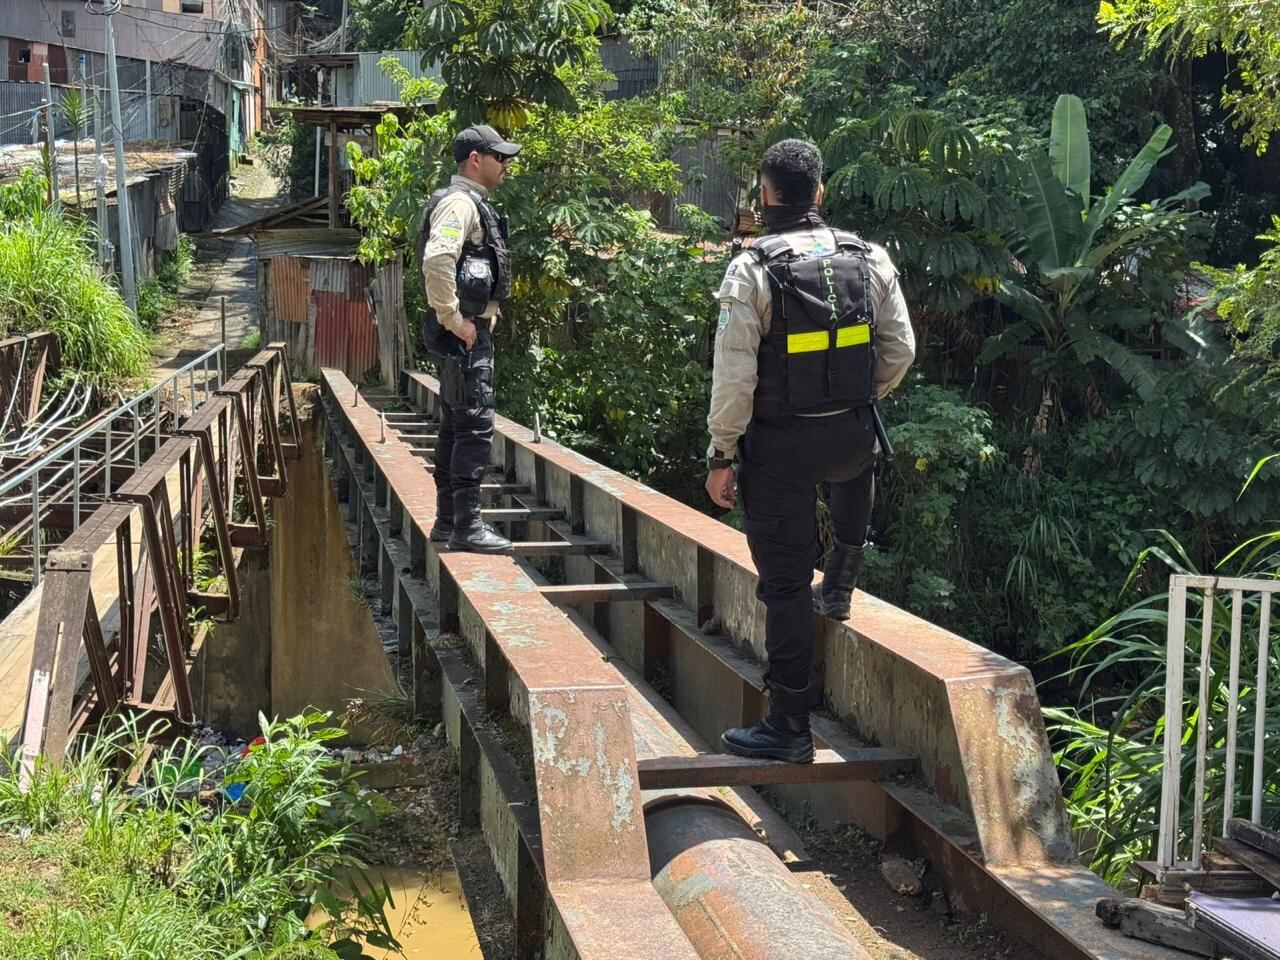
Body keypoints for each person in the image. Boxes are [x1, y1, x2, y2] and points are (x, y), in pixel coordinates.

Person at [705, 139, 916, 763]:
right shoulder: (869, 256)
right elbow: (899, 349)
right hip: (853, 440)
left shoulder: (751, 269)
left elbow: (734, 377)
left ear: (764, 196)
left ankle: (790, 728)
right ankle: (843, 588)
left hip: (780, 452)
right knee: (856, 466)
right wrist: (857, 396)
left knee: (786, 587)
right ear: (820, 193)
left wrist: (721, 455)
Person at [417, 124, 521, 554]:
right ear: (475, 159)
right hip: (464, 336)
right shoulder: (460, 203)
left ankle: (447, 522)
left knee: (457, 425)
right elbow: (438, 259)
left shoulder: (465, 202)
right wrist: (454, 318)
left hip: (465, 332)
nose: (505, 165)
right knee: (475, 425)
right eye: (499, 157)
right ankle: (467, 527)